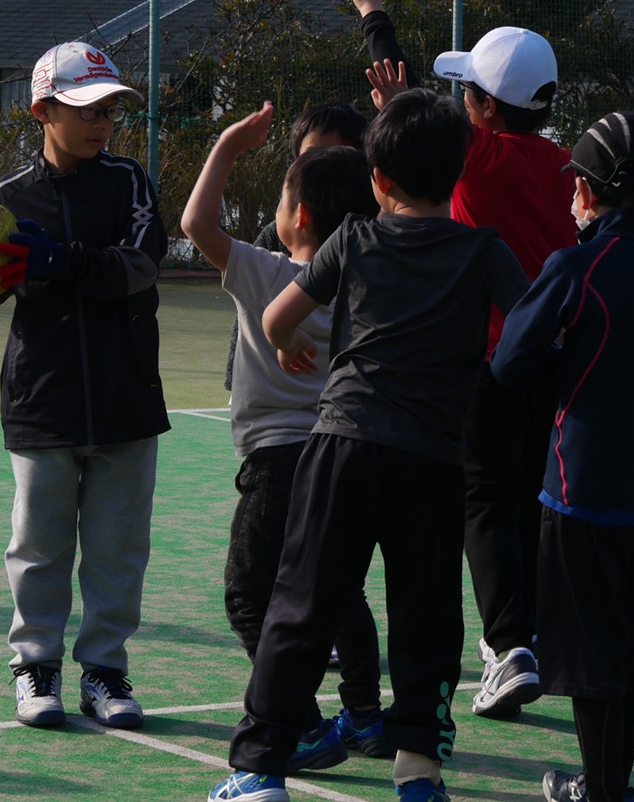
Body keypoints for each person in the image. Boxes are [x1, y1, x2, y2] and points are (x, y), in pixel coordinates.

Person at [208, 88, 528, 802]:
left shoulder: (354, 238)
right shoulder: (483, 251)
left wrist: (288, 342)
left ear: (378, 182)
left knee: (299, 604)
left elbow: (276, 316)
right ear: (460, 173)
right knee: (427, 622)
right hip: (435, 460)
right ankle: (418, 770)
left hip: (343, 445)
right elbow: (535, 326)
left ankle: (260, 768)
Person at [342, 0, 577, 719]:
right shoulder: (569, 165)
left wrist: (372, 11)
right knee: (527, 503)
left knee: (482, 500)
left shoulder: (476, 157)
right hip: (556, 358)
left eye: (466, 89)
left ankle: (508, 646)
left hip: (487, 360)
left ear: (479, 108)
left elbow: (406, 99)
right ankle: (531, 638)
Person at [0, 40, 168, 732]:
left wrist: (61, 260)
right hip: (42, 400)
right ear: (42, 111)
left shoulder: (130, 185)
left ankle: (107, 672)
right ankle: (36, 667)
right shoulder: (5, 202)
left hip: (125, 398)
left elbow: (139, 266)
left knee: (118, 548)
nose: (101, 122)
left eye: (110, 108)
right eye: (84, 108)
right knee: (38, 545)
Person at [490, 111, 634, 802]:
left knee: (589, 651)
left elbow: (508, 363)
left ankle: (604, 789)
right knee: (630, 641)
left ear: (586, 193)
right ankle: (608, 781)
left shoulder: (574, 266)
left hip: (577, 489)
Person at [181, 100, 392, 771]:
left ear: (298, 216)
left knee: (250, 595)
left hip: (277, 464)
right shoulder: (367, 283)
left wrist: (227, 146)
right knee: (340, 592)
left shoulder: (266, 273)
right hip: (345, 457)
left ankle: (302, 722)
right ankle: (365, 715)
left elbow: (194, 223)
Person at [222, 102, 369, 393]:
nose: (323, 167)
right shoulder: (274, 238)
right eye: (313, 155)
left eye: (338, 156)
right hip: (270, 397)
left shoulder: (370, 243)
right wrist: (233, 379)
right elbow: (247, 323)